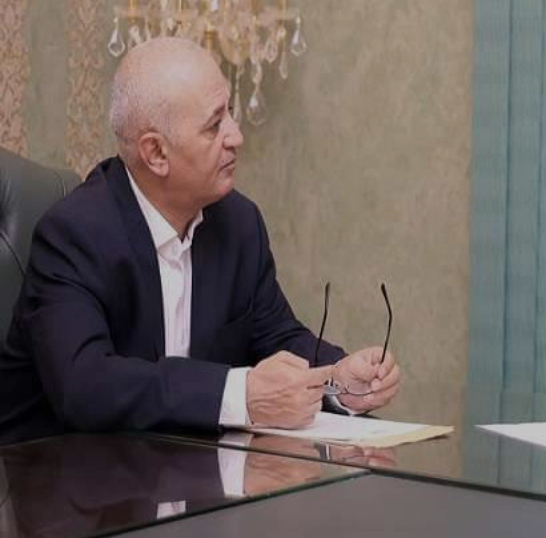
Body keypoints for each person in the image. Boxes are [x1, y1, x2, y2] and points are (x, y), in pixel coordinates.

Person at [0, 37, 400, 445]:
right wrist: (238, 396)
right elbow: (86, 386)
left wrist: (338, 379)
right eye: (214, 125)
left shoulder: (239, 223)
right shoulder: (75, 234)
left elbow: (276, 336)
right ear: (156, 153)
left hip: (185, 470)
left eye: (230, 113)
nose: (236, 136)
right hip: (61, 473)